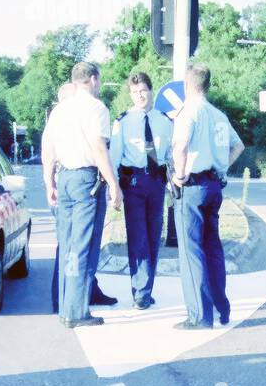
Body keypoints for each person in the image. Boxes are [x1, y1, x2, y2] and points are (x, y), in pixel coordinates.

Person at [169, 62, 244, 330]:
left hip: (193, 187)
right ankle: (221, 308)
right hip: (214, 185)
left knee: (192, 252)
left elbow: (180, 147)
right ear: (207, 85)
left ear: (187, 85)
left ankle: (200, 316)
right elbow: (238, 145)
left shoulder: (189, 112)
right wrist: (222, 167)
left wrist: (178, 176)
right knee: (213, 248)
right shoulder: (219, 115)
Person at [45, 62, 121, 328]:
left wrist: (49, 182)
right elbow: (99, 147)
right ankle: (77, 312)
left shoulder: (60, 110)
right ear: (92, 79)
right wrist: (113, 183)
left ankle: (66, 308)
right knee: (83, 247)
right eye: (99, 80)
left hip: (64, 176)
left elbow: (49, 148)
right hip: (86, 179)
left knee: (66, 246)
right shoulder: (97, 108)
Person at [109, 72, 172, 310]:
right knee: (138, 238)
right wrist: (114, 188)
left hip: (156, 183)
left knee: (154, 237)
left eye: (143, 90)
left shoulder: (164, 120)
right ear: (130, 94)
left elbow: (169, 154)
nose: (140, 95)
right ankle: (141, 291)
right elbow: (114, 157)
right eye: (135, 92)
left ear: (151, 91)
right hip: (133, 183)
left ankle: (145, 288)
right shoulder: (123, 122)